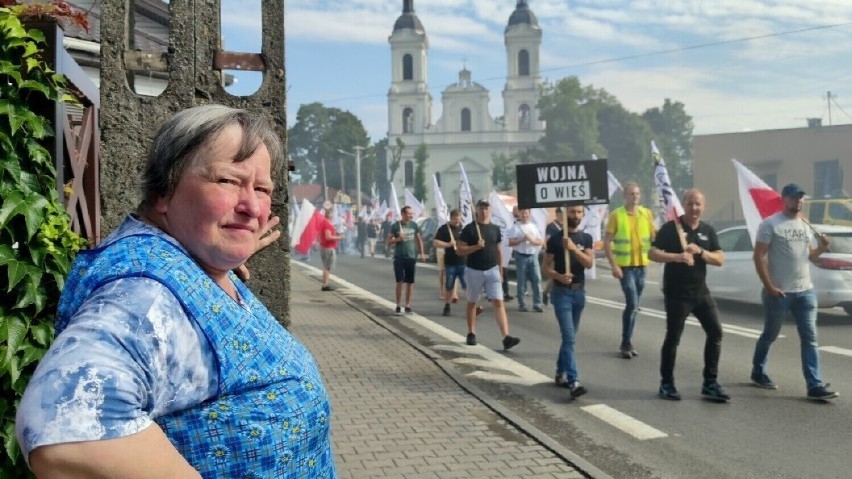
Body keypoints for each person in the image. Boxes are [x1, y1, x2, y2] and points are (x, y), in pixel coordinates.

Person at [16, 105, 335, 477]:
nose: (252, 206)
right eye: (228, 182)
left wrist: (218, 267)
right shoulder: (143, 296)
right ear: (163, 192)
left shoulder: (193, 261)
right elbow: (60, 424)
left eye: (262, 189)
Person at [750, 183, 839, 401]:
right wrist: (770, 286)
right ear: (784, 199)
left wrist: (821, 247)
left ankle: (814, 385)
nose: (798, 201)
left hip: (805, 292)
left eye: (800, 198)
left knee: (810, 338)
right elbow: (758, 257)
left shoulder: (805, 225)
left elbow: (810, 257)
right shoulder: (770, 224)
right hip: (779, 293)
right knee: (770, 334)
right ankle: (758, 372)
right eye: (793, 197)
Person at [648, 189, 728, 401]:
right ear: (684, 204)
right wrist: (677, 256)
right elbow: (652, 252)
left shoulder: (707, 231)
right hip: (677, 294)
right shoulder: (671, 228)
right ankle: (666, 383)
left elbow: (720, 259)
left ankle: (710, 383)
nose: (694, 208)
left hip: (700, 293)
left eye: (698, 204)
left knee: (716, 333)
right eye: (690, 203)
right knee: (673, 338)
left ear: (704, 206)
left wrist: (701, 252)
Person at [542, 205, 594, 399]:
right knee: (569, 337)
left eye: (579, 212)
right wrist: (558, 276)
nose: (575, 215)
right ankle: (573, 381)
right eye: (572, 212)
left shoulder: (585, 238)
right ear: (565, 214)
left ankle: (559, 371)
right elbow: (545, 267)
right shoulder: (555, 240)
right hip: (561, 293)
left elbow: (589, 263)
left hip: (579, 294)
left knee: (569, 338)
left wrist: (573, 249)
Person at [457, 199, 520, 350]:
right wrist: (475, 247)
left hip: (492, 269)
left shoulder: (495, 229)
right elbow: (460, 250)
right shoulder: (469, 229)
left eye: (486, 208)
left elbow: (498, 249)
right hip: (474, 269)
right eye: (481, 208)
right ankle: (471, 332)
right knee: (472, 301)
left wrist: (500, 269)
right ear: (477, 210)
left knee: (498, 302)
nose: (484, 211)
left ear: (490, 210)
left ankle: (506, 337)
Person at [603, 182, 656, 359]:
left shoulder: (646, 213)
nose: (635, 197)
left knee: (635, 307)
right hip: (625, 267)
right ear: (625, 196)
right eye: (632, 194)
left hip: (642, 265)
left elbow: (655, 237)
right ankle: (625, 342)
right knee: (632, 303)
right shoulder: (616, 215)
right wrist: (614, 265)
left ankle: (628, 340)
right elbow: (606, 243)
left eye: (637, 194)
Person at [387, 205, 425, 314]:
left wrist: (422, 253)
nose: (411, 216)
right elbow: (388, 241)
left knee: (409, 282)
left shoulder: (414, 225)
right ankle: (398, 305)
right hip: (399, 257)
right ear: (403, 214)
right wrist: (398, 239)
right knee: (399, 281)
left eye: (412, 214)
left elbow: (419, 240)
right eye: (409, 214)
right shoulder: (395, 226)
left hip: (411, 257)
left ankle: (407, 305)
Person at [509, 208, 544, 312]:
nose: (524, 215)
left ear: (530, 214)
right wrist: (522, 239)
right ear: (519, 214)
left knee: (537, 279)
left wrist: (531, 240)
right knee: (521, 280)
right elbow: (510, 242)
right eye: (522, 213)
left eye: (526, 213)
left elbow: (539, 241)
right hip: (521, 256)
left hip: (533, 256)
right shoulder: (515, 227)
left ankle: (537, 303)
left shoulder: (533, 226)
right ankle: (522, 304)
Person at [434, 209, 466, 316]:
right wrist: (448, 244)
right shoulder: (444, 229)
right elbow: (435, 242)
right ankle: (447, 306)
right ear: (451, 219)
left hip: (463, 262)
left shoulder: (464, 228)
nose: (458, 222)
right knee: (449, 285)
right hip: (450, 262)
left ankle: (472, 307)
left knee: (467, 285)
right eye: (455, 220)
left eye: (459, 219)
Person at [542, 207, 564, 306]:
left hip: (564, 254)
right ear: (558, 213)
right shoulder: (551, 226)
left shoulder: (566, 225)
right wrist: (549, 253)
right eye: (562, 213)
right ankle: (546, 292)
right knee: (555, 275)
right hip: (554, 254)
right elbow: (546, 240)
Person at [319, 206, 345, 291]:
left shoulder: (323, 223)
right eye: (332, 214)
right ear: (329, 215)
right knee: (327, 267)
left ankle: (325, 284)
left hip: (324, 247)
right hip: (328, 248)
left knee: (326, 266)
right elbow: (328, 237)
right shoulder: (326, 224)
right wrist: (339, 237)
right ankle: (325, 285)